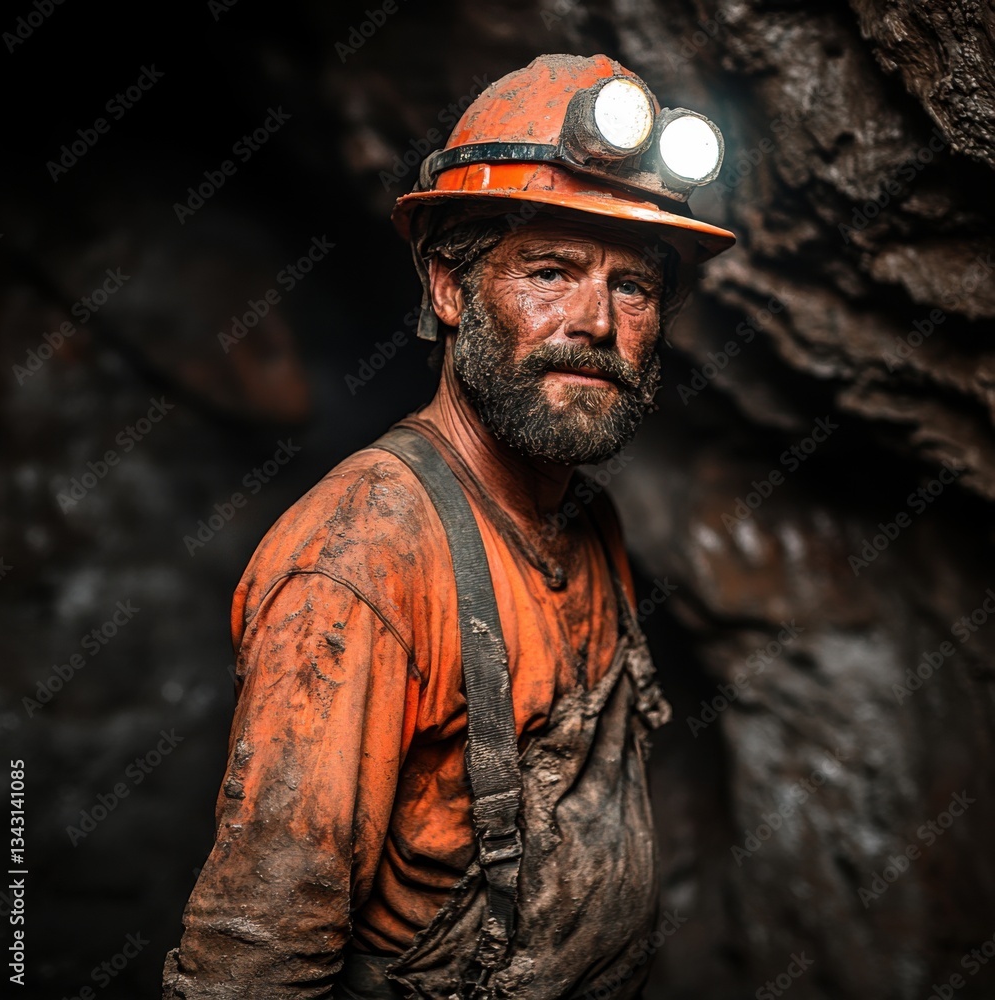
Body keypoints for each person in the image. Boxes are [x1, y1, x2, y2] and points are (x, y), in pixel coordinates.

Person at [162, 52, 735, 1000]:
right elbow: (256, 957)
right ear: (449, 288)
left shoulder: (586, 513)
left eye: (632, 286)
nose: (595, 320)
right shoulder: (362, 556)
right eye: (549, 271)